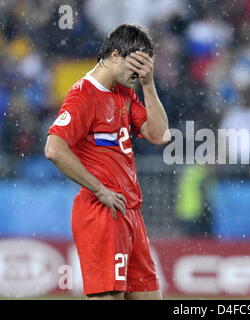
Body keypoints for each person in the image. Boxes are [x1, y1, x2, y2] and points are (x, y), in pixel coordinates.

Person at [44, 24, 169, 300]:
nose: (138, 75)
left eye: (144, 69)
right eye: (135, 67)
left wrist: (149, 84)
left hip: (130, 211)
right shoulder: (83, 94)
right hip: (102, 210)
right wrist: (100, 189)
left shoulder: (124, 92)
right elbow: (54, 148)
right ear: (115, 55)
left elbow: (160, 135)